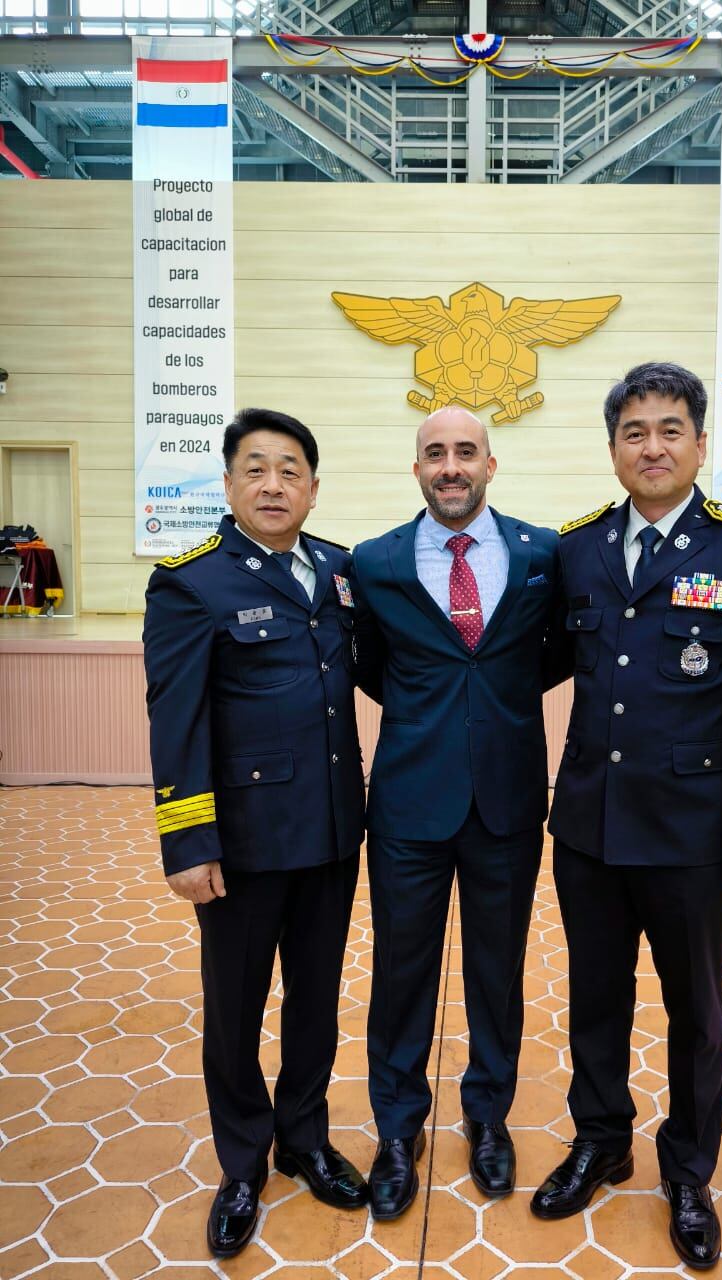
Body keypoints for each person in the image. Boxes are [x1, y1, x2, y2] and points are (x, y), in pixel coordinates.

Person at [532, 363, 722, 1271]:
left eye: (669, 429)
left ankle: (688, 1169)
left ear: (699, 441)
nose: (652, 446)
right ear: (613, 446)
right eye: (634, 431)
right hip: (589, 827)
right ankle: (602, 1139)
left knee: (697, 1008)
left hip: (689, 830)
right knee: (595, 997)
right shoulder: (579, 547)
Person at [143, 408, 368, 1259]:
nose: (274, 485)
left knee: (315, 1000)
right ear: (230, 483)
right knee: (236, 1009)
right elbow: (176, 720)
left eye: (290, 470)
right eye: (255, 469)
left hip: (334, 833)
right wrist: (188, 840)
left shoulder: (341, 572)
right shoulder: (192, 581)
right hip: (239, 842)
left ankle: (303, 1139)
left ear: (313, 485)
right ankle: (242, 1164)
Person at [351, 406, 564, 1220]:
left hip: (508, 801)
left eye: (465, 452)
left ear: (490, 464)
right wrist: (432, 711)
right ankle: (398, 1132)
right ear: (416, 470)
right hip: (408, 804)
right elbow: (372, 664)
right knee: (401, 973)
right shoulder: (374, 564)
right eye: (435, 453)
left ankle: (487, 1118)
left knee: (496, 973)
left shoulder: (543, 554)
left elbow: (553, 656)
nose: (450, 466)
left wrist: (493, 707)